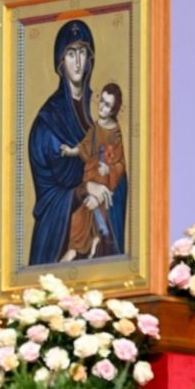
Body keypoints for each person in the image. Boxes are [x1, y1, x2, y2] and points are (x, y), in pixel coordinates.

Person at [28, 19, 114, 264]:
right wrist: (84, 189)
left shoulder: (100, 108)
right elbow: (48, 195)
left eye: (83, 52)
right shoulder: (47, 121)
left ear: (90, 59)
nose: (77, 62)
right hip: (58, 233)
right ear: (60, 62)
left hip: (100, 221)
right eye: (70, 53)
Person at [59, 83, 128, 261]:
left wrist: (109, 169)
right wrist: (70, 151)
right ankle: (82, 245)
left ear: (114, 110)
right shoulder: (95, 128)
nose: (102, 107)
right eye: (101, 101)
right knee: (80, 214)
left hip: (105, 180)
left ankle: (90, 243)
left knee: (93, 208)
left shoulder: (116, 133)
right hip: (92, 175)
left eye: (107, 105)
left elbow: (121, 163)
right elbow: (84, 146)